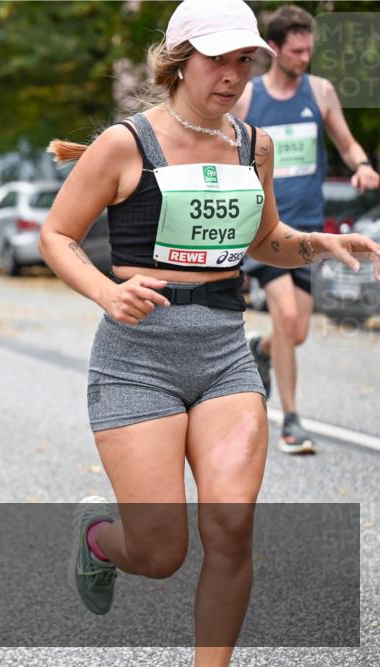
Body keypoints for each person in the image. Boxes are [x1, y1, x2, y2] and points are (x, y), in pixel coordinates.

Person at [39, 1, 379, 663]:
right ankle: (100, 539)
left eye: (243, 60)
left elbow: (267, 240)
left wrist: (314, 245)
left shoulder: (255, 145)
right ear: (179, 60)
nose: (232, 73)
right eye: (217, 58)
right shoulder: (125, 143)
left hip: (223, 350)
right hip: (137, 357)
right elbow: (57, 235)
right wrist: (109, 291)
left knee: (230, 527)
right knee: (162, 550)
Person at [231, 4, 380, 455]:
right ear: (274, 49)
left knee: (294, 334)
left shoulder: (320, 91)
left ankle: (262, 349)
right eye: (296, 51)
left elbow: (345, 139)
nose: (304, 57)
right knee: (289, 317)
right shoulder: (249, 98)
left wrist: (362, 165)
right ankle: (292, 422)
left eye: (309, 49)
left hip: (312, 233)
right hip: (266, 229)